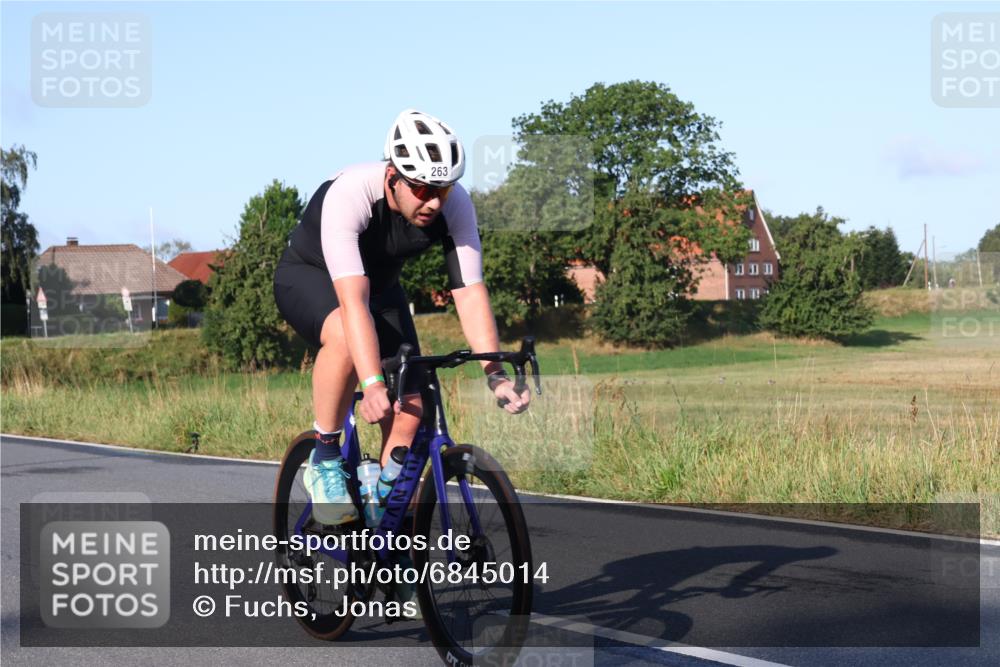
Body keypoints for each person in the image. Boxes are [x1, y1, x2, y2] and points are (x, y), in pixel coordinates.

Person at [273, 109, 531, 526]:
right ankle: (325, 457)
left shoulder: (455, 205)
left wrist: (495, 374)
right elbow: (353, 303)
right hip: (311, 277)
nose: (434, 202)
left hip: (381, 288)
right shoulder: (351, 194)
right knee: (346, 337)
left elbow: (469, 291)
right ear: (393, 175)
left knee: (412, 407)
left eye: (443, 190)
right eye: (423, 189)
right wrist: (372, 382)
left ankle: (384, 520)